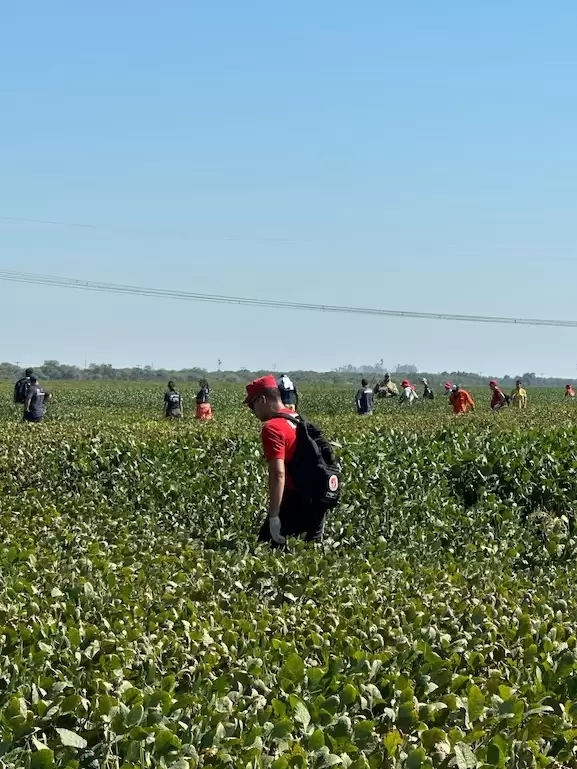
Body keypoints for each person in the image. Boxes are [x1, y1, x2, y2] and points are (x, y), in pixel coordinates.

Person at [245, 375, 334, 545]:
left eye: (252, 405)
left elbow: (278, 474)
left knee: (264, 549)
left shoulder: (272, 428)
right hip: (319, 496)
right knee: (311, 554)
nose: (252, 410)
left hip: (296, 500)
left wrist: (274, 516)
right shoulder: (298, 418)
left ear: (262, 399)